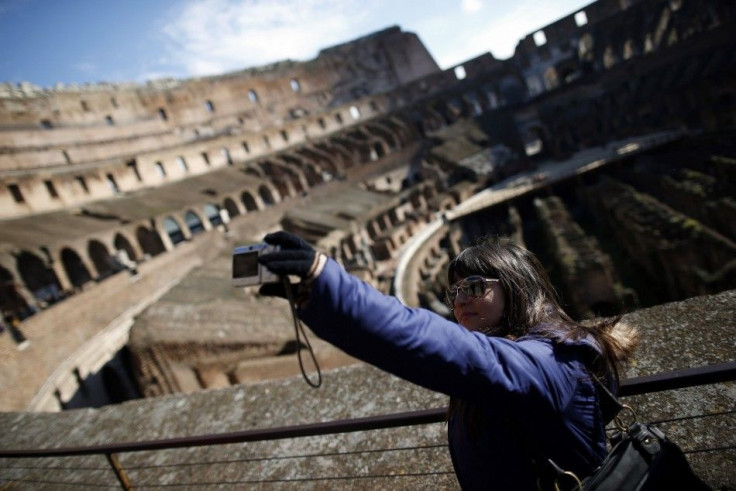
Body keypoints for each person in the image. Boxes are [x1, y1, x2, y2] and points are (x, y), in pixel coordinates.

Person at [258, 231, 639, 490]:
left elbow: (430, 342)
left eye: (474, 287)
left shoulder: (553, 360)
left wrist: (324, 284)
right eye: (454, 290)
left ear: (518, 287)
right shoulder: (525, 353)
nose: (458, 301)